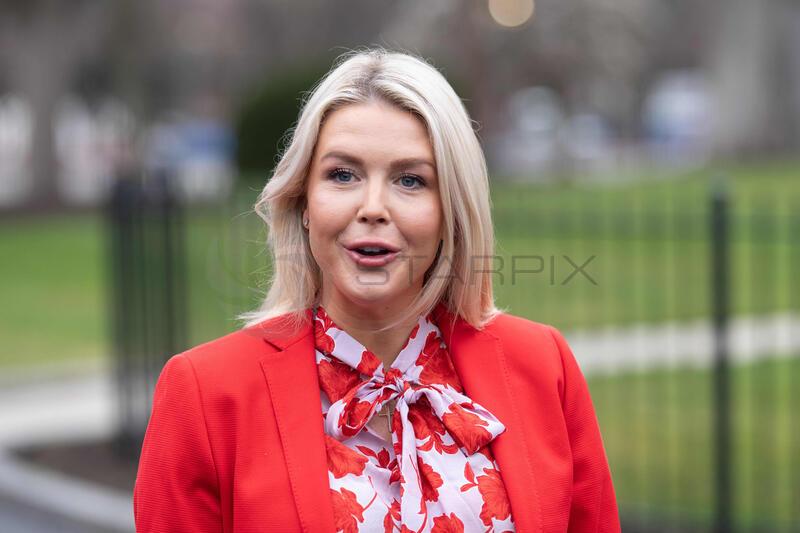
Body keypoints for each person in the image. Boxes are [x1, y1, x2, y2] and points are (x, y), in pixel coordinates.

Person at [133, 47, 620, 533]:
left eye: (410, 180)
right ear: (304, 202)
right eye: (342, 175)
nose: (373, 207)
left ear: (450, 211)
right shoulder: (204, 393)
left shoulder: (542, 365)